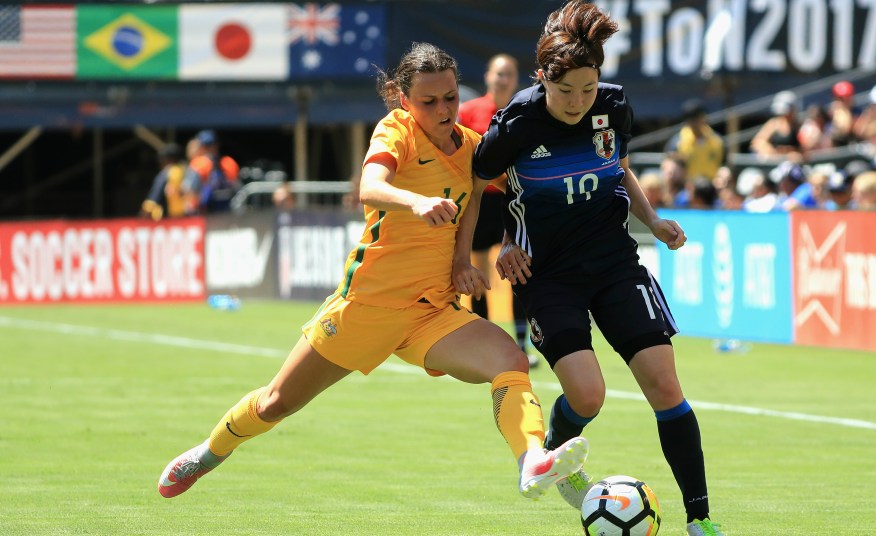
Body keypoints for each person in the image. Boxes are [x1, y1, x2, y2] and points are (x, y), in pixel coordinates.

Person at [156, 42, 588, 502]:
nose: (443, 110)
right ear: (404, 100)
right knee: (276, 402)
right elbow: (370, 186)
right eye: (429, 101)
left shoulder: (471, 147)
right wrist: (416, 202)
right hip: (367, 308)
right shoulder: (396, 130)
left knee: (510, 361)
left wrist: (483, 251)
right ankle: (208, 453)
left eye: (450, 98)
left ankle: (530, 461)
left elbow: (506, 194)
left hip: (430, 313)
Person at [471, 2, 725, 534]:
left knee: (665, 385)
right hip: (547, 275)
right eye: (566, 91)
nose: (578, 102)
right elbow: (479, 187)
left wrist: (652, 220)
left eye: (588, 89)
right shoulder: (516, 121)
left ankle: (700, 520)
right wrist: (504, 243)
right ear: (542, 79)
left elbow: (619, 169)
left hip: (615, 263)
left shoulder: (613, 105)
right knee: (588, 396)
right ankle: (553, 454)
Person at [457, 53, 538, 368]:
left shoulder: (525, 111)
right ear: (488, 76)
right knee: (478, 273)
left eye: (508, 74)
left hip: (514, 201)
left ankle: (522, 346)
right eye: (498, 73)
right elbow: (459, 155)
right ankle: (484, 347)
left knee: (519, 271)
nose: (503, 79)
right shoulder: (469, 111)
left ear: (516, 79)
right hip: (480, 201)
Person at [664, 98, 724, 181]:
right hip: (688, 187)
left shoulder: (717, 140)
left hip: (712, 186)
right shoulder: (677, 142)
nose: (695, 123)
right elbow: (669, 167)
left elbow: (724, 164)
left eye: (697, 118)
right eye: (691, 120)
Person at [183, 129, 241, 214]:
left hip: (204, 213)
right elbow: (238, 189)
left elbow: (189, 190)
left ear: (201, 146)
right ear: (217, 145)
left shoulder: (198, 164)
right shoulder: (229, 162)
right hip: (227, 213)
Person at [139, 143, 186, 221]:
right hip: (188, 216)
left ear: (167, 159)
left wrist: (144, 214)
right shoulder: (186, 171)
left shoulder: (165, 173)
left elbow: (153, 199)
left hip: (168, 218)